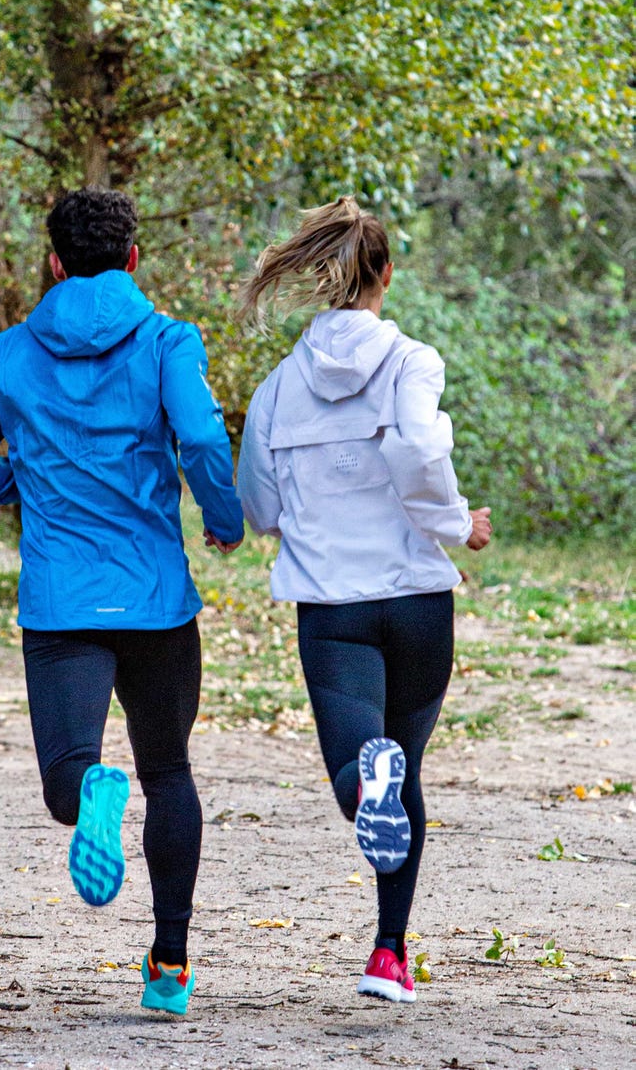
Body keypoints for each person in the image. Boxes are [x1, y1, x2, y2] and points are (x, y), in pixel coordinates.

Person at [0, 187, 244, 1016]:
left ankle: (91, 793)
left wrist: (34, 485)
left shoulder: (7, 352)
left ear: (54, 262)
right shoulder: (167, 340)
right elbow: (206, 440)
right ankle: (170, 968)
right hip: (156, 601)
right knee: (171, 769)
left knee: (69, 772)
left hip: (61, 601)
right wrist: (224, 518)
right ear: (134, 259)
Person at [237, 196, 492, 1004]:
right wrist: (458, 523)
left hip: (333, 609)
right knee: (405, 769)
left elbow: (260, 504)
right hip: (418, 597)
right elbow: (419, 450)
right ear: (385, 273)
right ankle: (389, 953)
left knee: (359, 768)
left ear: (322, 280)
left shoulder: (279, 387)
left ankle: (364, 784)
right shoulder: (413, 361)